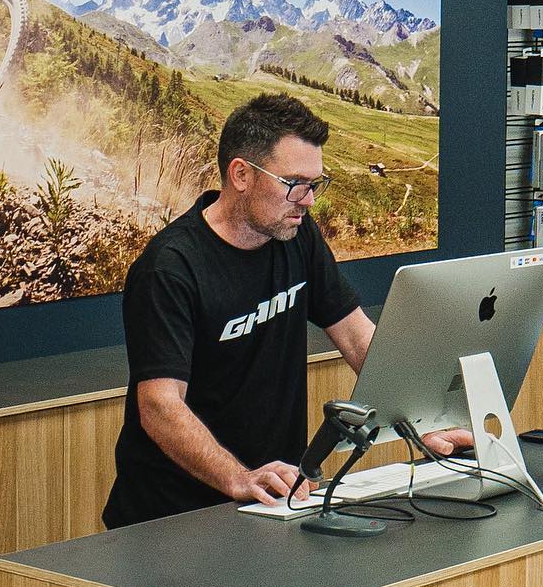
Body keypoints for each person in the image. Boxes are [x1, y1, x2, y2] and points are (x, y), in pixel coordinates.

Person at [103, 93, 469, 528]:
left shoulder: (297, 236)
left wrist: (424, 424)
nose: (308, 200)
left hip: (273, 498)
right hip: (171, 518)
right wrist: (237, 477)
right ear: (241, 174)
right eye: (294, 183)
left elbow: (358, 338)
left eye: (315, 184)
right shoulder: (171, 268)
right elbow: (160, 406)